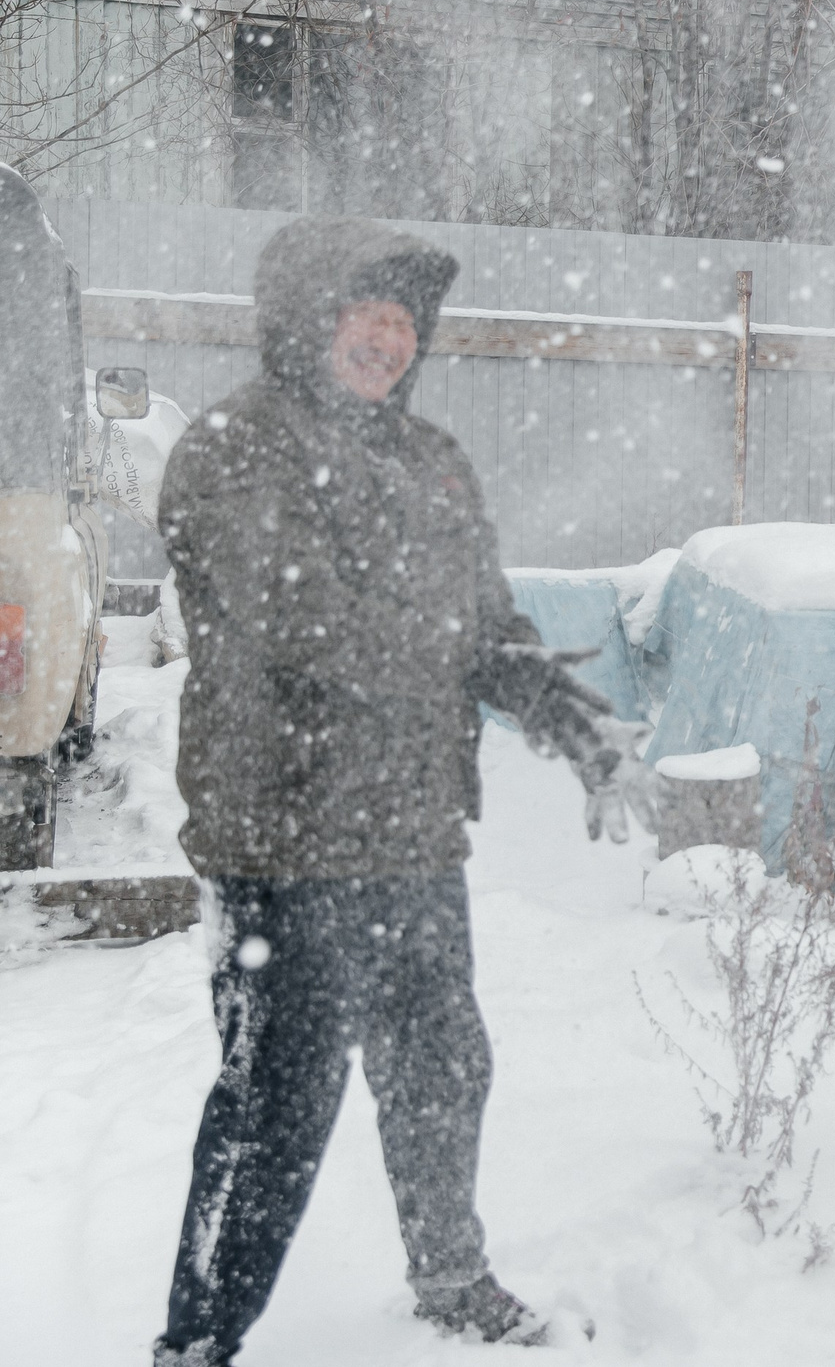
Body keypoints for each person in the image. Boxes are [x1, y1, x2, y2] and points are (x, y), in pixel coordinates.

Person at [152, 217, 651, 1366]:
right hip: (280, 832)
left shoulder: (432, 459)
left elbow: (484, 624)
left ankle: (449, 1273)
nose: (386, 338)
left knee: (442, 1064)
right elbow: (304, 620)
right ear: (304, 319)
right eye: (362, 313)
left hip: (412, 830)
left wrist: (568, 717)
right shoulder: (238, 445)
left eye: (402, 321)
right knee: (277, 1107)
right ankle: (197, 1339)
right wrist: (457, 646)